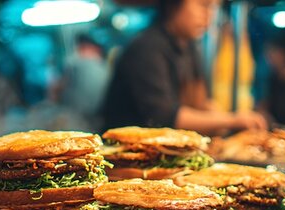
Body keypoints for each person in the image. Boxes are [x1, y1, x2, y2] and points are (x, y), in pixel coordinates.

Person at [101, 0, 267, 134]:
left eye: (213, 9)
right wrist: (232, 120)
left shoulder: (189, 47)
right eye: (204, 6)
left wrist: (228, 119)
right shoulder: (147, 46)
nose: (208, 16)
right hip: (128, 156)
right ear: (173, 5)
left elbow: (202, 103)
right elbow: (166, 118)